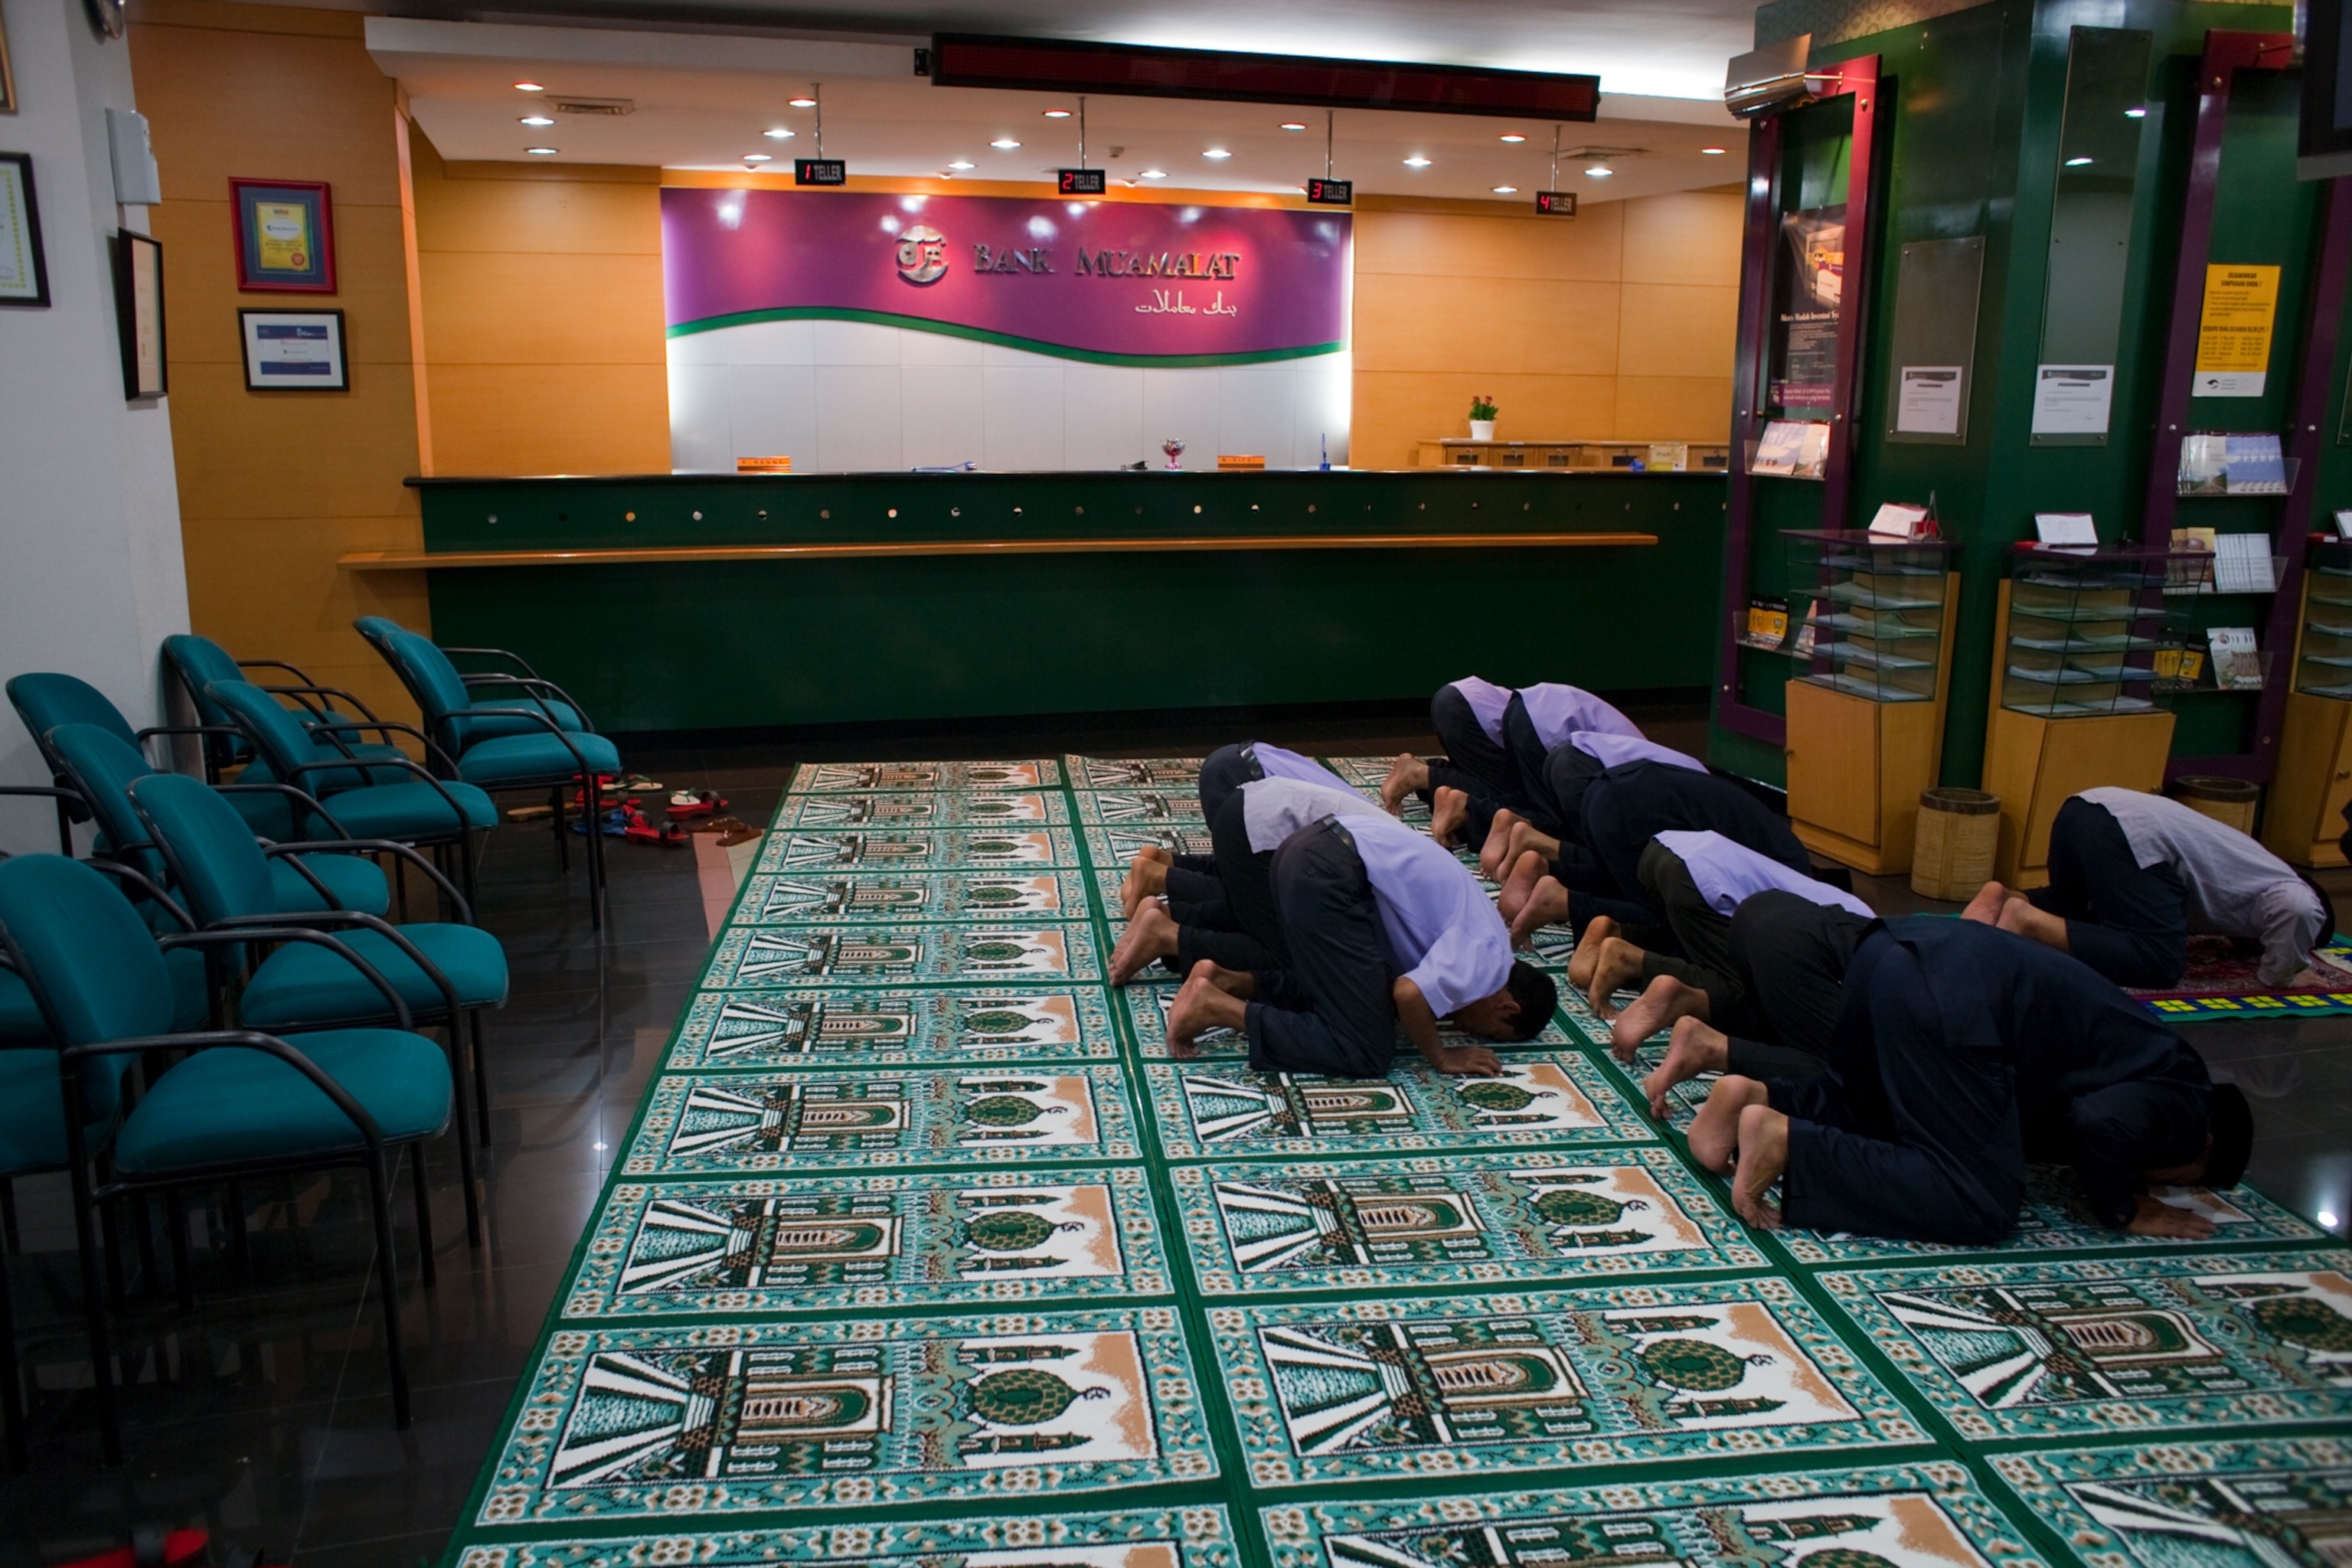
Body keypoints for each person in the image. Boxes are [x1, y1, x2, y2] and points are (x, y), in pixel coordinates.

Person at [1688, 916, 2253, 1244]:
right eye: (2184, 1179)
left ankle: (1753, 1096)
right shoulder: (2188, 1098)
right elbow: (2101, 1122)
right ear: (2203, 1148)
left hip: (1893, 948)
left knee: (1871, 1105)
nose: (2165, 1182)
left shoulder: (2149, 1050)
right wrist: (2126, 1206)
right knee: (1980, 1201)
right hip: (1954, 998)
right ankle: (1792, 1145)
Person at [1161, 777, 1558, 1074]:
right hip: (1329, 870)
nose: (1470, 1031)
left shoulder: (1488, 939)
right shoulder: (1488, 962)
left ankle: (1229, 980)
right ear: (1507, 1007)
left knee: (1349, 992)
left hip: (1313, 850)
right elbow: (1408, 994)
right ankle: (1215, 1006)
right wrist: (1441, 1055)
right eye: (1489, 1032)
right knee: (1366, 1047)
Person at [1964, 787, 2332, 991]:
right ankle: (2025, 919)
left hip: (2083, 808)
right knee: (2158, 961)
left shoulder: (2255, 868)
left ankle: (2001, 898)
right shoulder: (2284, 886)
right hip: (2128, 832)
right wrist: (2283, 973)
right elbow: (2299, 910)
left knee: (2073, 908)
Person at [1575, 830, 1875, 1057]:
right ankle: (1668, 987)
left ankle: (1622, 938)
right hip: (1703, 882)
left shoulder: (1852, 913)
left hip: (1664, 849)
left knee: (1696, 945)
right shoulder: (1858, 933)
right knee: (1754, 996)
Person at [1112, 750, 1373, 983]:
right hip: (1255, 798)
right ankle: (1169, 933)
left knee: (1256, 898)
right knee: (1295, 954)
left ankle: (1167, 885)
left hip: (1236, 766)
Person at [1498, 760, 1813, 948]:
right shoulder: (1791, 876)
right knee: (1669, 917)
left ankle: (1552, 873)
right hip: (1635, 807)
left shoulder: (1785, 851)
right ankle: (1564, 902)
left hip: (1605, 787)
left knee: (1619, 879)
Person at [1635, 888, 1873, 1118]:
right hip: (1796, 942)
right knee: (1855, 1086)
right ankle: (1716, 1050)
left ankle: (1695, 1001)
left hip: (1761, 909)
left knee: (1775, 1029)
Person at [1120, 740, 1369, 919]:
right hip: (1252, 795)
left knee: (1245, 877)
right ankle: (1162, 883)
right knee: (1270, 911)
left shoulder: (1387, 835)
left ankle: (1165, 867)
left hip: (1235, 762)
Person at [1379, 678, 1640, 848]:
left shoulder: (1648, 762)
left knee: (1520, 797)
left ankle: (1430, 778)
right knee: (1551, 823)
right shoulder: (1646, 775)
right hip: (1525, 725)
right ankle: (1462, 803)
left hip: (1462, 698)